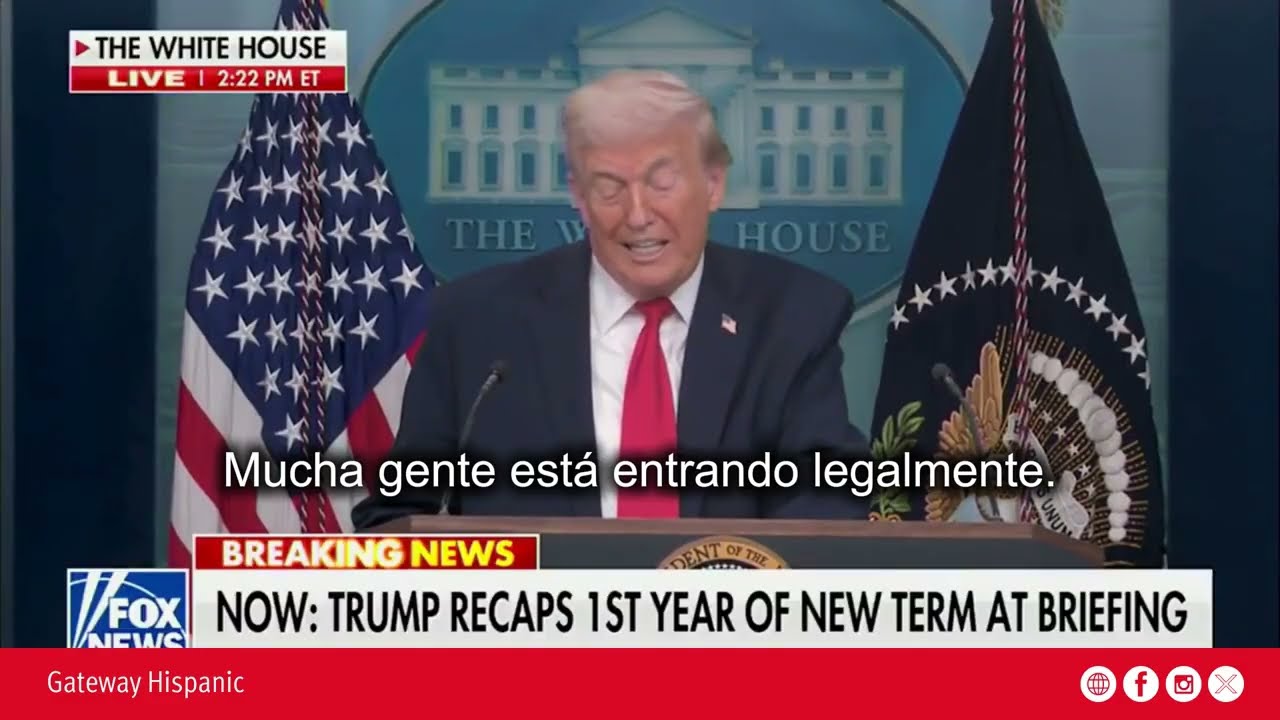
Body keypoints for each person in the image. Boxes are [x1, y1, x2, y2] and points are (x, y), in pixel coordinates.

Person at [352, 69, 868, 529]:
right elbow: (396, 519)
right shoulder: (476, 322)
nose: (638, 214)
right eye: (609, 188)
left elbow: (825, 514)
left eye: (662, 183)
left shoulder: (793, 316)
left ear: (713, 184)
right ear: (578, 195)